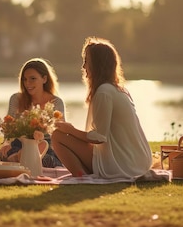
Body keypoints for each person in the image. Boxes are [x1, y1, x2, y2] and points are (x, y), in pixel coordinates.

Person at [51, 37, 152, 178]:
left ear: (97, 65)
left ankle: (81, 177)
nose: (83, 67)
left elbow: (99, 137)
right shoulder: (117, 90)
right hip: (138, 162)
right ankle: (83, 174)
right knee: (67, 136)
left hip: (123, 164)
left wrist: (71, 130)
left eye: (86, 62)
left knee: (57, 136)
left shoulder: (104, 92)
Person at [0, 58, 66, 168]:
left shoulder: (56, 102)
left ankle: (19, 159)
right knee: (5, 153)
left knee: (46, 160)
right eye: (25, 79)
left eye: (32, 79)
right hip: (19, 145)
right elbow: (8, 128)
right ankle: (18, 157)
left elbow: (60, 134)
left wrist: (41, 137)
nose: (27, 83)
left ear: (44, 79)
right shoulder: (16, 99)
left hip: (46, 147)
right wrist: (6, 143)